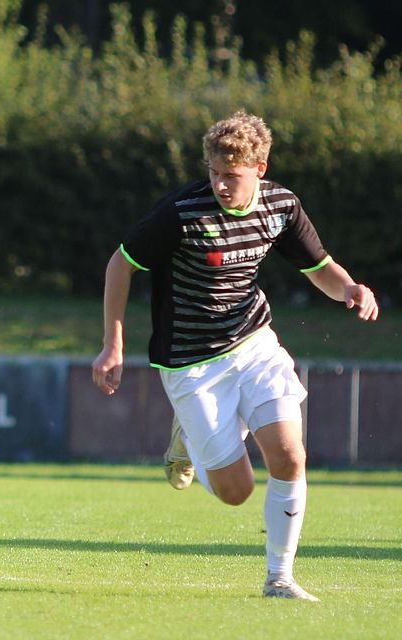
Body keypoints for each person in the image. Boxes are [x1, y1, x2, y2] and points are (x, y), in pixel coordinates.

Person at [91, 111, 379, 601]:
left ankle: (280, 578)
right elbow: (122, 263)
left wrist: (349, 287)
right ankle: (187, 441)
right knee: (235, 492)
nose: (222, 185)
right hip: (190, 362)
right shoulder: (182, 211)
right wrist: (112, 343)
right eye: (215, 174)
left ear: (259, 170)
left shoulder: (281, 206)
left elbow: (319, 267)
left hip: (253, 343)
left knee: (290, 455)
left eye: (233, 176)